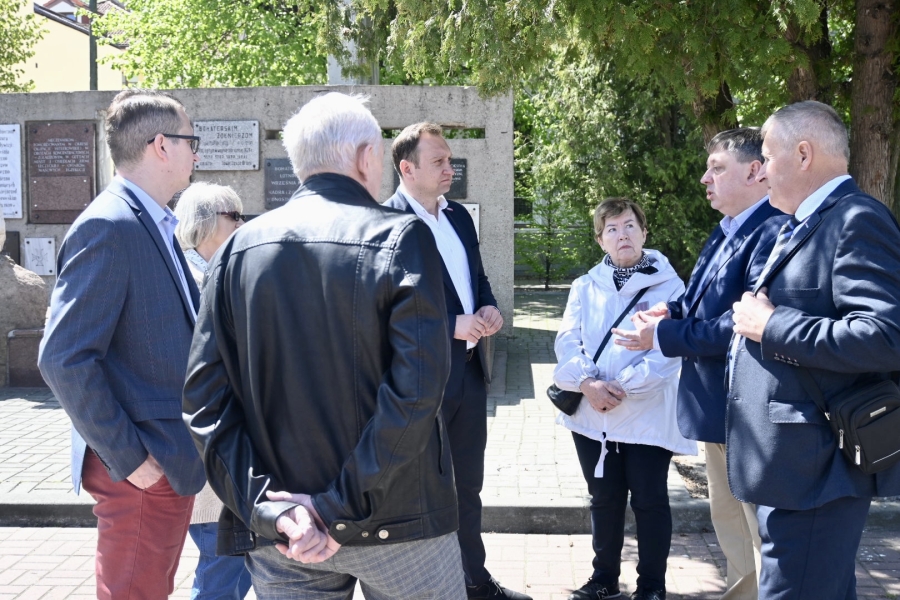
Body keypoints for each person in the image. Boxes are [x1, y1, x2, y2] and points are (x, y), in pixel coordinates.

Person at [182, 92, 466, 599]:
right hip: (399, 522)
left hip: (286, 532)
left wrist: (271, 509)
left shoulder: (236, 250)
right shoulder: (401, 237)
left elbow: (204, 402)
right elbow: (418, 391)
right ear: (365, 157)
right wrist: (335, 508)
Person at [729, 100, 900, 599]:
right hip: (794, 471)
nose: (761, 173)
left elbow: (884, 336)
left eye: (766, 157)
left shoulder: (856, 219)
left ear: (803, 154)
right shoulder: (807, 222)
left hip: (817, 471)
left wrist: (773, 324)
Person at [38, 89, 205, 599]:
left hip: (164, 459)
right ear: (161, 145)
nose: (196, 153)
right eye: (191, 140)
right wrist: (129, 458)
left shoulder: (149, 219)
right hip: (140, 466)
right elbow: (63, 358)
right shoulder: (109, 225)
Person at [612, 128, 786, 600]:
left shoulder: (772, 230)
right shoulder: (728, 227)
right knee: (732, 529)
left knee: (761, 537)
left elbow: (741, 325)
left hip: (745, 412)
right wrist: (669, 312)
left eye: (717, 168)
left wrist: (661, 335)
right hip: (716, 410)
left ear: (755, 171)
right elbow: (700, 301)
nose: (705, 179)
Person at [383, 122, 529, 600]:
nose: (450, 168)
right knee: (420, 489)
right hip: (419, 383)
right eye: (439, 161)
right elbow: (381, 311)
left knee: (468, 486)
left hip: (468, 375)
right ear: (407, 169)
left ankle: (474, 582)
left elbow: (478, 278)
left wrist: (488, 308)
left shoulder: (459, 217)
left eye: (449, 159)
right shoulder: (384, 224)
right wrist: (450, 324)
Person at [553, 198, 696, 600]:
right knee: (604, 499)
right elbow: (567, 342)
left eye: (630, 226)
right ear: (600, 240)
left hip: (646, 415)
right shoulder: (584, 286)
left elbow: (669, 352)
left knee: (650, 501)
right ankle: (603, 580)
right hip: (592, 415)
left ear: (644, 233)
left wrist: (623, 387)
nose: (622, 235)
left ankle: (651, 586)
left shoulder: (671, 288)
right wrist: (588, 383)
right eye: (612, 229)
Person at [173, 181, 251, 600]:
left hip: (228, 446)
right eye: (233, 216)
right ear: (204, 222)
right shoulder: (186, 279)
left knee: (236, 564)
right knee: (221, 565)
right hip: (206, 445)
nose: (242, 223)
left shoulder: (219, 272)